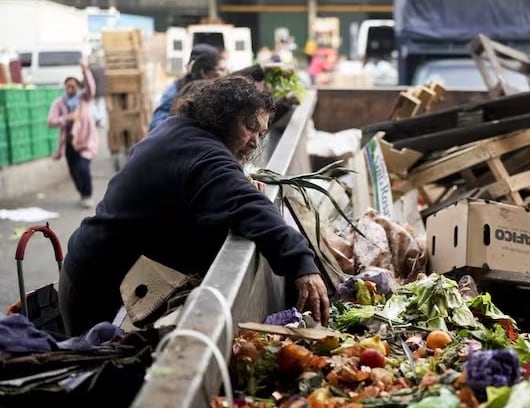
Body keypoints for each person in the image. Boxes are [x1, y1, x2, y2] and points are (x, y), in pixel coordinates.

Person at [59, 75, 329, 336]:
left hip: (95, 270)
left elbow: (220, 187)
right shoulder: (202, 154)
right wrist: (302, 263)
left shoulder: (180, 130)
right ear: (222, 117)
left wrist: (238, 179)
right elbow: (249, 206)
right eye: (249, 126)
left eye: (261, 132)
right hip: (97, 289)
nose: (255, 141)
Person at [48, 60, 98, 209]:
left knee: (83, 168)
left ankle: (88, 195)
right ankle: (82, 192)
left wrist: (85, 71)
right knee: (74, 172)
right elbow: (51, 121)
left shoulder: (84, 99)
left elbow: (91, 88)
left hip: (86, 141)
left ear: (78, 87)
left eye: (73, 86)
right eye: (68, 86)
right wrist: (66, 118)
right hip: (69, 143)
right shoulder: (59, 103)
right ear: (65, 87)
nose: (70, 88)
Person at [148, 44, 223, 132]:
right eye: (219, 69)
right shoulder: (176, 89)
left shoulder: (216, 90)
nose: (221, 74)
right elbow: (157, 125)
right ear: (204, 73)